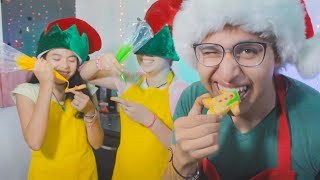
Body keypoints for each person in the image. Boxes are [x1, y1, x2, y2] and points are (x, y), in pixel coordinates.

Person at [162, 0, 320, 179]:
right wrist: (181, 164)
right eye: (210, 51)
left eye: (248, 51)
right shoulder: (191, 100)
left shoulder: (315, 118)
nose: (227, 75)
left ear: (277, 55)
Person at [80, 0, 187, 179]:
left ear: (171, 53)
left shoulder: (181, 91)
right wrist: (100, 62)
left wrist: (150, 120)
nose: (145, 57)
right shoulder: (129, 80)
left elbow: (183, 150)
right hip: (122, 173)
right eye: (142, 51)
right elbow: (85, 75)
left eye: (153, 52)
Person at [11, 18, 104, 180]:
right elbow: (34, 142)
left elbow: (97, 144)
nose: (65, 66)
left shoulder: (85, 90)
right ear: (43, 60)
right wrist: (46, 84)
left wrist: (90, 112)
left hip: (84, 172)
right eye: (56, 58)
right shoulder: (26, 92)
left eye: (71, 59)